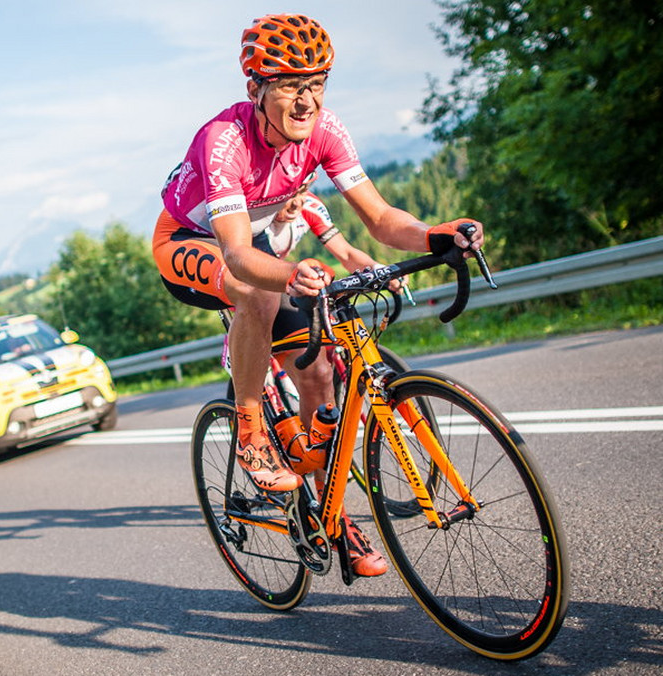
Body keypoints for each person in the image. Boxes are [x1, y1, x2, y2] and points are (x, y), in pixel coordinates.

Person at [152, 13, 484, 577]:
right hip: (192, 241)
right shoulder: (224, 141)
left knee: (319, 375)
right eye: (289, 85)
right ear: (256, 88)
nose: (306, 101)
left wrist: (437, 234)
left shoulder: (327, 131)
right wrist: (289, 273)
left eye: (317, 84)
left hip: (258, 243)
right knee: (254, 293)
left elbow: (379, 218)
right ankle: (250, 426)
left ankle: (328, 515)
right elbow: (236, 254)